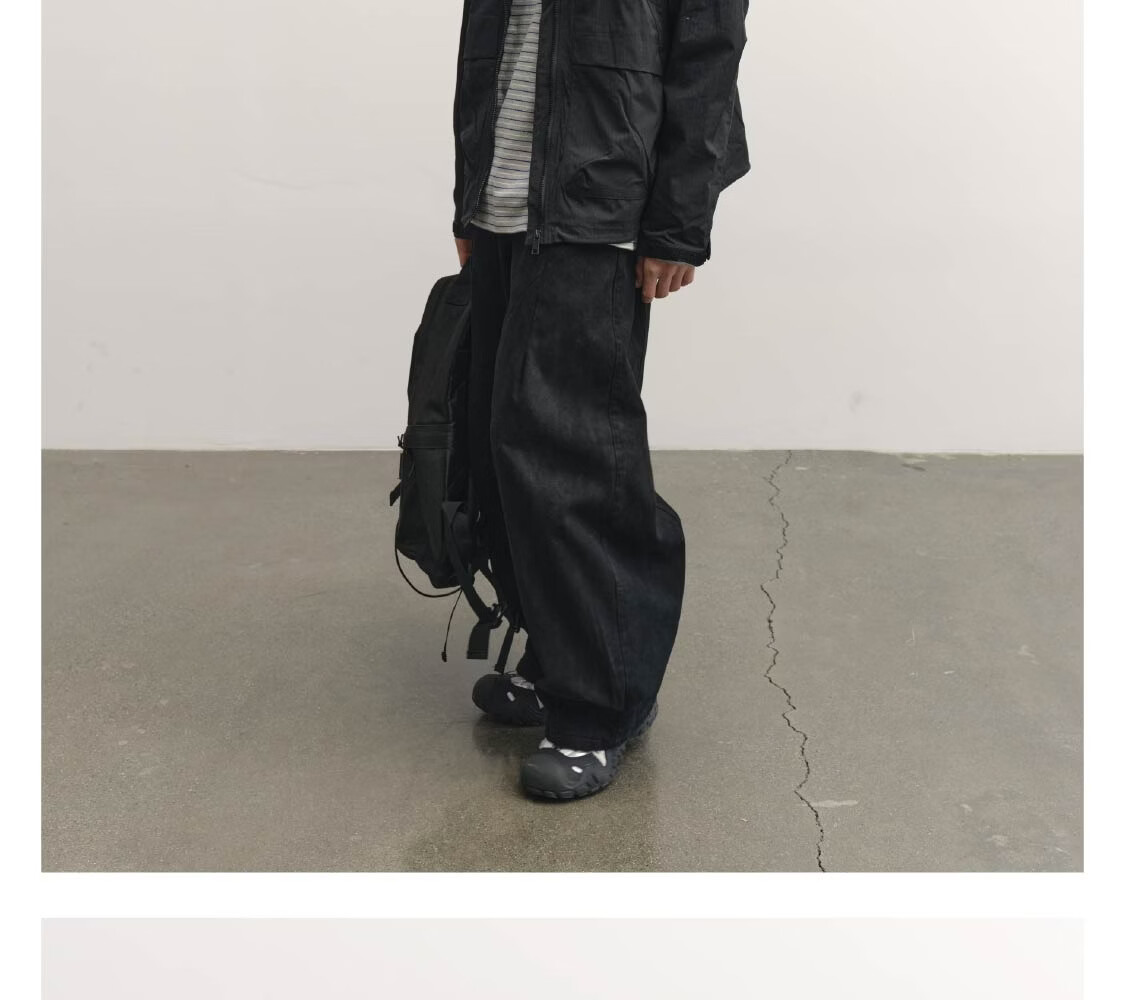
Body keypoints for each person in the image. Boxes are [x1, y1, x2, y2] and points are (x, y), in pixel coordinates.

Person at [451, 0, 750, 800]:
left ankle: (601, 705)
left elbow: (707, 59)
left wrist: (676, 225)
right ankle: (561, 662)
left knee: (572, 460)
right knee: (499, 453)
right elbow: (487, 47)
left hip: (596, 214)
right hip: (505, 207)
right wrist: (469, 197)